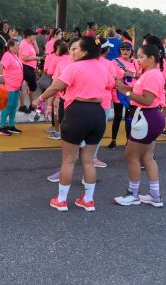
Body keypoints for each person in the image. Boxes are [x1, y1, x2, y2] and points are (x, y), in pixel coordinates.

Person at [36, 37, 114, 212]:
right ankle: (88, 200)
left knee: (69, 160)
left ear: (85, 52)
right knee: (88, 160)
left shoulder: (73, 67)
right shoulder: (103, 67)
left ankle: (61, 200)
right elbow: (111, 84)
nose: (73, 51)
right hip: (97, 113)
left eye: (76, 49)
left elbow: (56, 87)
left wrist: (39, 99)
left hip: (77, 112)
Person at [112, 43, 166, 207]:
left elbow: (147, 99)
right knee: (147, 157)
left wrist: (126, 92)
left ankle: (133, 194)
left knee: (132, 156)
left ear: (152, 58)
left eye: (141, 57)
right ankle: (154, 195)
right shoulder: (151, 73)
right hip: (151, 117)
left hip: (146, 117)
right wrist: (123, 87)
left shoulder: (151, 75)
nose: (138, 60)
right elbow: (139, 91)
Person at [107, 41, 139, 149]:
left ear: (131, 51)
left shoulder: (135, 62)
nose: (125, 51)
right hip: (119, 93)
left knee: (129, 118)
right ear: (119, 50)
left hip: (131, 93)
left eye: (127, 49)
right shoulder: (114, 62)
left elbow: (139, 76)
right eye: (123, 49)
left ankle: (128, 141)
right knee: (118, 117)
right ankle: (113, 140)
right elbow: (112, 76)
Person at [0, 38, 24, 136]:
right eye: (17, 46)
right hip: (9, 86)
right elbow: (0, 65)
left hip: (16, 86)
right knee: (7, 106)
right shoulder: (7, 55)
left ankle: (11, 125)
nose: (19, 48)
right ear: (11, 47)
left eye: (19, 46)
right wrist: (1, 76)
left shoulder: (15, 55)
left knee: (14, 106)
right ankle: (1, 127)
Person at [19, 29, 40, 115]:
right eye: (33, 35)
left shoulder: (30, 43)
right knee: (24, 87)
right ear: (28, 36)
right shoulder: (24, 44)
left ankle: (32, 104)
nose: (35, 36)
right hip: (25, 67)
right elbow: (24, 58)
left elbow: (37, 52)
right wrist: (35, 58)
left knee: (32, 87)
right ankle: (22, 105)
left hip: (31, 68)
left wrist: (35, 42)